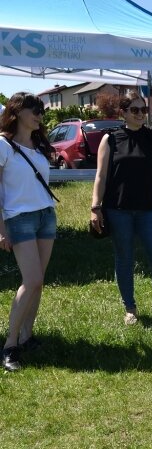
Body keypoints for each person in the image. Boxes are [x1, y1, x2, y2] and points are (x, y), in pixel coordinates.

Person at [91, 91, 152, 325]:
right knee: (124, 259)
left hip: (148, 209)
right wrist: (95, 207)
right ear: (124, 113)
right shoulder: (110, 139)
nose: (140, 114)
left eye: (144, 110)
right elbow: (101, 176)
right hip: (117, 209)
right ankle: (130, 308)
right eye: (135, 110)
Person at [0, 93, 56, 372]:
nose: (39, 115)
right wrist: (1, 230)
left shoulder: (38, 144)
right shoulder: (3, 144)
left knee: (38, 281)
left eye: (41, 111)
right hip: (18, 218)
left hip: (46, 216)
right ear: (17, 111)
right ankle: (10, 345)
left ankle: (27, 335)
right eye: (33, 110)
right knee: (31, 280)